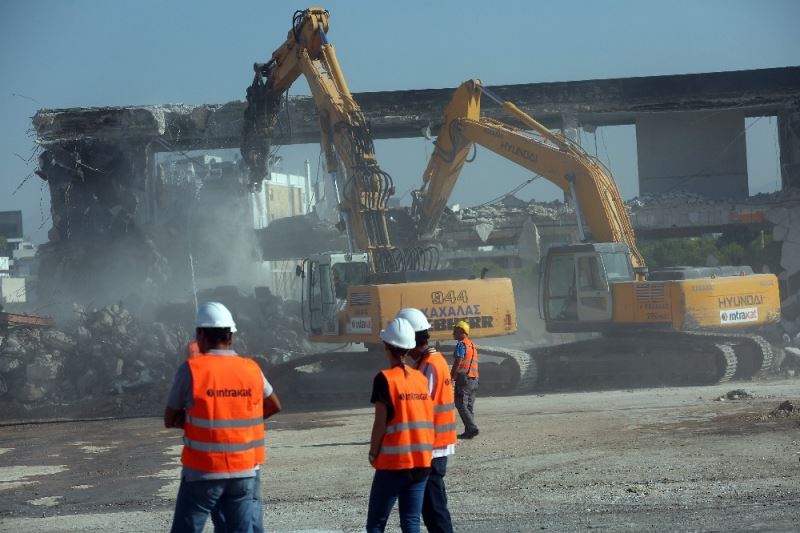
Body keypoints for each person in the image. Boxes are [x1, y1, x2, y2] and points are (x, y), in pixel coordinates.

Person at [164, 302, 282, 533]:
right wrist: (243, 425)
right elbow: (274, 404)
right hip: (245, 471)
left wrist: (201, 425)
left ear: (200, 335)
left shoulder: (192, 370)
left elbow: (170, 418)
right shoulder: (251, 368)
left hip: (203, 471)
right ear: (231, 335)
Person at [366, 317, 435, 533]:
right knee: (411, 521)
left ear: (387, 347)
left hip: (394, 464)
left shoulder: (385, 379)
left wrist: (372, 452)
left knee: (376, 524)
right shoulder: (419, 378)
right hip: (421, 462)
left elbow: (380, 423)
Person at [397, 308, 456, 533]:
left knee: (434, 510)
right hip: (435, 444)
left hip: (432, 447)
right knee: (433, 507)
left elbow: (420, 408)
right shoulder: (431, 361)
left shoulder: (429, 365)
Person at [450, 320, 479, 439]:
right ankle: (469, 432)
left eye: (455, 331)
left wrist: (451, 376)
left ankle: (472, 428)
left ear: (463, 332)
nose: (453, 334)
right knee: (469, 406)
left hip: (464, 378)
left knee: (461, 404)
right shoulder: (472, 345)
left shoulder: (461, 344)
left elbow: (458, 361)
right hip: (474, 378)